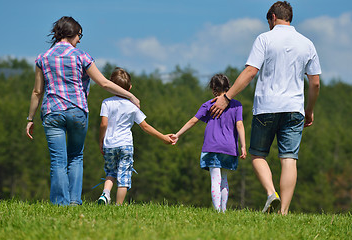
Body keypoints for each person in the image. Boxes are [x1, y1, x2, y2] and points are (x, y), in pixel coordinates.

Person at [210, 1, 321, 215]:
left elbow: (251, 72)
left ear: (272, 17)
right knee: (289, 158)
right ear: (289, 18)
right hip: (294, 109)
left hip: (266, 107)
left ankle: (271, 193)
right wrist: (309, 110)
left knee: (258, 155)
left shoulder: (264, 39)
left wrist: (227, 97)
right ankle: (284, 212)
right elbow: (314, 83)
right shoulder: (307, 43)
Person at [26, 16, 140, 206]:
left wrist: (30, 118)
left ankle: (59, 204)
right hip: (77, 111)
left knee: (57, 161)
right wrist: (130, 96)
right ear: (73, 34)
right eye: (79, 36)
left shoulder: (43, 58)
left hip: (52, 112)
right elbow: (104, 83)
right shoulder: (81, 56)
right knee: (76, 156)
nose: (79, 40)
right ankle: (74, 201)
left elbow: (37, 91)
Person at [97, 67, 175, 205]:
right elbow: (145, 126)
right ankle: (118, 205)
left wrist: (101, 140)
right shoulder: (132, 106)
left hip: (109, 144)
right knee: (124, 176)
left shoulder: (106, 103)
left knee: (110, 172)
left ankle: (105, 194)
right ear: (130, 87)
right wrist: (163, 137)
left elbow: (103, 124)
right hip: (126, 145)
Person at [172, 74, 246, 212]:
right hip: (230, 147)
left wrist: (177, 134)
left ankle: (217, 211)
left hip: (213, 146)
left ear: (213, 89)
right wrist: (243, 146)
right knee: (224, 179)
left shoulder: (209, 104)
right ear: (228, 86)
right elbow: (240, 125)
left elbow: (193, 121)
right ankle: (223, 211)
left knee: (215, 179)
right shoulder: (237, 105)